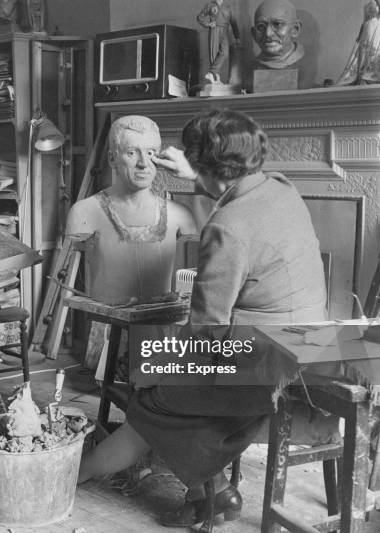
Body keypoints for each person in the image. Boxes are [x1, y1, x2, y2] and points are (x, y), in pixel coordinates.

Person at [77, 109, 328, 528]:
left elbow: (208, 331)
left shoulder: (225, 228)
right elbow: (236, 199)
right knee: (165, 378)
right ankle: (212, 495)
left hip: (266, 360)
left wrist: (160, 369)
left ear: (209, 165)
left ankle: (76, 475)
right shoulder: (280, 188)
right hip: (307, 341)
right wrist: (195, 173)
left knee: (153, 396)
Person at [65, 115, 197, 306]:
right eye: (132, 153)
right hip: (108, 316)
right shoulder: (84, 212)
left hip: (158, 320)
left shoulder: (180, 215)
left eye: (151, 153)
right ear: (112, 158)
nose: (144, 163)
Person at [336, 0, 380, 85]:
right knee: (366, 52)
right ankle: (364, 72)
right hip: (370, 28)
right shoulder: (370, 5)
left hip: (374, 28)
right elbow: (364, 24)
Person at [196, 0, 241, 83]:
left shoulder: (228, 7)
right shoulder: (210, 5)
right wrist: (208, 24)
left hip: (224, 30)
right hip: (214, 29)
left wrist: (237, 37)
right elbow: (199, 17)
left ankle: (211, 72)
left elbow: (234, 23)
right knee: (214, 53)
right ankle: (215, 77)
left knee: (225, 52)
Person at [251, 0, 303, 70]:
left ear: (295, 29)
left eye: (277, 24)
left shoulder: (301, 60)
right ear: (254, 34)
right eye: (261, 26)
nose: (268, 34)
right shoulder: (253, 64)